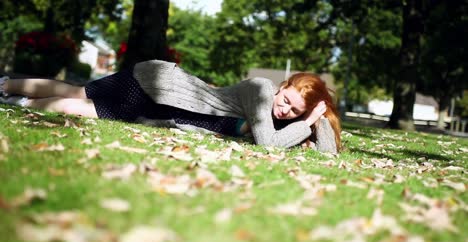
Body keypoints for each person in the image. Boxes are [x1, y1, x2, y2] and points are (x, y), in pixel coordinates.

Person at [0, 60, 341, 153]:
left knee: (80, 100)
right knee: (80, 98)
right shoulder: (263, 91)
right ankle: (7, 87)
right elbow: (267, 145)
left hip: (161, 108)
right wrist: (305, 120)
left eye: (293, 111)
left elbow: (328, 153)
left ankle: (17, 99)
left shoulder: (281, 121)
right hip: (159, 86)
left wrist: (318, 116)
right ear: (281, 87)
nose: (284, 110)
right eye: (287, 100)